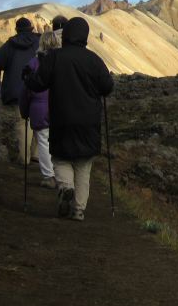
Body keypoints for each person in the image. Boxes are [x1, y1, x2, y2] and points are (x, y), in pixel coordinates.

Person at [24, 17, 114, 221]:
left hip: (61, 118)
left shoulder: (54, 58)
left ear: (65, 35)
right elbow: (107, 87)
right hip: (89, 121)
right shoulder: (94, 60)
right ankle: (78, 209)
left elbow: (38, 84)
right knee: (83, 164)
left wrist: (27, 77)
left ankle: (65, 187)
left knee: (61, 158)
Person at [0, 17, 40, 165]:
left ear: (17, 30)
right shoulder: (38, 42)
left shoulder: (10, 44)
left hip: (16, 89)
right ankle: (37, 154)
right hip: (38, 86)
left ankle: (24, 158)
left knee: (22, 123)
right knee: (39, 121)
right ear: (31, 29)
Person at [19, 31, 61, 189]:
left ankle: (49, 176)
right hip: (60, 107)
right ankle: (62, 175)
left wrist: (24, 110)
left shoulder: (33, 63)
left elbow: (26, 89)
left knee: (43, 141)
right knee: (57, 141)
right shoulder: (62, 62)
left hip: (39, 108)